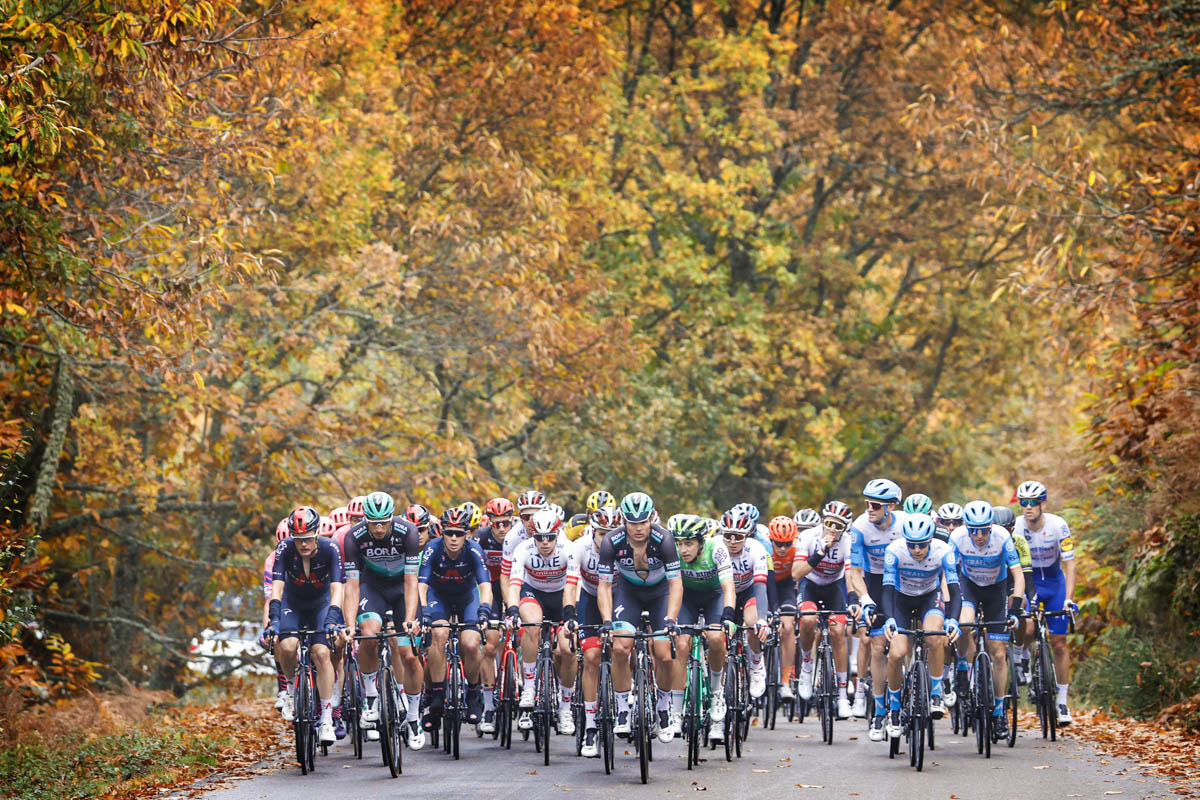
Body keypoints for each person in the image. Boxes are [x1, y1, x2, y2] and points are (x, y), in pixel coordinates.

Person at [341, 491, 425, 749]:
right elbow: (352, 586)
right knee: (368, 634)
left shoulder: (407, 531)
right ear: (364, 519)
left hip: (402, 589)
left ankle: (413, 717)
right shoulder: (353, 537)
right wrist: (349, 623)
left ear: (392, 518)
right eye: (373, 523)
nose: (378, 528)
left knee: (408, 654)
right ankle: (371, 696)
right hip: (372, 587)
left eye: (383, 522)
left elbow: (412, 581)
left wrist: (410, 619)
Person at [597, 491, 682, 743]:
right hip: (628, 592)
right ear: (623, 520)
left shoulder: (664, 539)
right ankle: (623, 709)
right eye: (632, 522)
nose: (638, 528)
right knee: (621, 647)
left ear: (652, 518)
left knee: (664, 652)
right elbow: (604, 586)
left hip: (660, 593)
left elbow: (676, 584)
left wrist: (671, 620)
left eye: (643, 522)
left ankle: (664, 707)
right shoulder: (611, 541)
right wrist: (606, 622)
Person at [265, 506, 346, 745]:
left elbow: (337, 588)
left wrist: (332, 618)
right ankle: (290, 691)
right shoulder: (284, 549)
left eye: (308, 539)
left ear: (317, 533)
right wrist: (275, 620)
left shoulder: (330, 549)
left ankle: (327, 718)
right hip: (294, 602)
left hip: (321, 603)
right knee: (288, 647)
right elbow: (277, 587)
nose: (303, 544)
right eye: (298, 540)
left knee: (322, 653)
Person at [881, 514, 961, 739]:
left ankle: (936, 693)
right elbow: (886, 591)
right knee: (897, 654)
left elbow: (954, 592)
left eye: (922, 545)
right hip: (900, 600)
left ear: (931, 540)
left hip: (929, 597)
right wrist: (889, 618)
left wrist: (953, 620)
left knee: (934, 637)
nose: (916, 550)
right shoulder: (894, 551)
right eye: (912, 545)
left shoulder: (943, 551)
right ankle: (895, 708)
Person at [951, 501, 1025, 739]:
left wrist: (1014, 610)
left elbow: (1018, 575)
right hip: (969, 586)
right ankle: (962, 667)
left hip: (996, 590)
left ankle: (1000, 711)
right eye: (974, 530)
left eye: (984, 530)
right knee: (964, 623)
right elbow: (949, 574)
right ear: (966, 526)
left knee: (999, 653)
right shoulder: (958, 537)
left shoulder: (1003, 537)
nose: (979, 535)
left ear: (992, 526)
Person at [418, 506, 493, 729]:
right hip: (437, 595)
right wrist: (423, 612)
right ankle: (437, 696)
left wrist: (484, 609)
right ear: (441, 533)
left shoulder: (474, 549)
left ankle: (473, 694)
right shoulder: (432, 548)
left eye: (458, 533)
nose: (453, 538)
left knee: (470, 643)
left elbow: (485, 586)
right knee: (438, 634)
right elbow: (421, 586)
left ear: (466, 534)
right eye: (449, 533)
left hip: (466, 596)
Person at [506, 507, 577, 735]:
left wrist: (569, 617)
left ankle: (565, 707)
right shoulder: (522, 549)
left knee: (567, 650)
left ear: (558, 534)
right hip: (533, 592)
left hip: (562, 595)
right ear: (532, 536)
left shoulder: (570, 549)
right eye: (539, 538)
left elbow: (573, 587)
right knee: (532, 625)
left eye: (549, 537)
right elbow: (514, 584)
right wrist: (513, 611)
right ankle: (528, 686)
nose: (545, 543)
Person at [844, 478, 907, 736]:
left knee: (906, 644)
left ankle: (915, 687)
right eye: (867, 503)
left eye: (875, 505)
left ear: (890, 507)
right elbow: (855, 571)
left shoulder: (905, 525)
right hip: (875, 582)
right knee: (878, 647)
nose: (869, 508)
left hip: (905, 581)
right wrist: (866, 599)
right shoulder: (860, 527)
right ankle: (881, 711)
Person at [1012, 480, 1077, 725]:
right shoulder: (1016, 527)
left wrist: (1069, 598)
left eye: (1033, 503)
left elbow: (1070, 564)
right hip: (1029, 583)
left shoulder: (1058, 525)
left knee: (1059, 643)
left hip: (1054, 583)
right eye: (1023, 503)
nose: (1028, 508)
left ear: (1042, 504)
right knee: (1027, 626)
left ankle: (1062, 701)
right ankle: (1023, 656)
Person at [671, 513, 736, 742]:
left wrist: (728, 616)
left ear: (701, 542)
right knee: (681, 644)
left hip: (713, 596)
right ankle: (676, 711)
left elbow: (728, 586)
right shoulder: (673, 553)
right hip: (686, 598)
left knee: (717, 638)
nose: (683, 549)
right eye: (679, 543)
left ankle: (717, 693)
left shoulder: (716, 548)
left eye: (688, 543)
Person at [565, 505, 623, 757]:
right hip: (589, 598)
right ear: (592, 531)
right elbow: (570, 585)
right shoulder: (579, 548)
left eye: (612, 533)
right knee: (591, 657)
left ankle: (627, 704)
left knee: (624, 648)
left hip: (620, 597)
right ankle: (590, 727)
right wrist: (569, 614)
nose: (607, 539)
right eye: (602, 534)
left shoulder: (628, 547)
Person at [792, 500, 855, 719]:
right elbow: (796, 573)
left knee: (838, 631)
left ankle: (842, 695)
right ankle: (807, 666)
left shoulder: (848, 541)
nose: (833, 529)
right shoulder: (808, 537)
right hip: (811, 585)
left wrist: (854, 599)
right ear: (821, 521)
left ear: (846, 528)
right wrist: (820, 551)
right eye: (829, 523)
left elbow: (850, 574)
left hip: (834, 587)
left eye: (839, 526)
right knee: (808, 620)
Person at [720, 507, 771, 699]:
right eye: (728, 535)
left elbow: (760, 586)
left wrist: (763, 619)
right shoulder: (716, 546)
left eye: (738, 537)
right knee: (718, 634)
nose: (732, 542)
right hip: (724, 592)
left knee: (752, 624)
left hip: (748, 590)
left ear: (747, 535)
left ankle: (757, 664)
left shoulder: (756, 548)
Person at [475, 496, 514, 733]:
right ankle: (488, 706)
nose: (501, 528)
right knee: (489, 646)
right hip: (489, 589)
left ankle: (516, 675)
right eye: (496, 523)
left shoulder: (519, 535)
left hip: (513, 587)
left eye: (506, 523)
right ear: (489, 521)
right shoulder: (481, 538)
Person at [767, 515, 801, 701]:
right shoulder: (763, 548)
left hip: (787, 587)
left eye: (787, 544)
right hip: (766, 585)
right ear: (770, 540)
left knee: (788, 628)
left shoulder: (798, 549)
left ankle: (786, 682)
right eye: (777, 544)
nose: (782, 549)